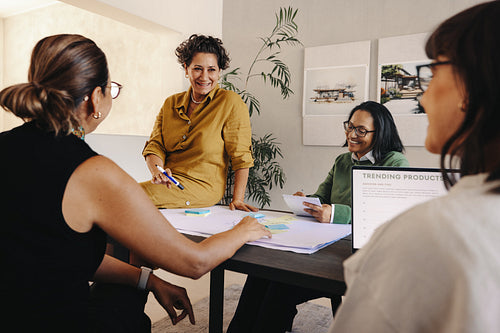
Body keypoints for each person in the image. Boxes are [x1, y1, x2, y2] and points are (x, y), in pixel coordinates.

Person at [0, 34, 271, 332]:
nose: (204, 76)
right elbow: (195, 263)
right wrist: (242, 229)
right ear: (95, 98)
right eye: (112, 90)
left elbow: (58, 254)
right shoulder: (95, 172)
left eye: (212, 69)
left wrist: (149, 279)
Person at [330, 2, 500, 332]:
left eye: (434, 72)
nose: (422, 98)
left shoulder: (425, 235)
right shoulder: (341, 162)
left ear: (473, 84)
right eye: (350, 127)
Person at [228, 101, 409, 333]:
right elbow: (322, 196)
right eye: (350, 126)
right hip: (324, 247)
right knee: (261, 275)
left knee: (279, 285)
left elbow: (382, 213)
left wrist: (334, 213)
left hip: (356, 257)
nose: (352, 134)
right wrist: (307, 201)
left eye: (361, 130)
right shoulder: (342, 161)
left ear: (380, 132)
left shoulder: (394, 162)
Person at [140, 34, 257, 212]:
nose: (204, 76)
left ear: (219, 72)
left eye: (211, 69)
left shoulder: (230, 103)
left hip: (203, 188)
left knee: (128, 195)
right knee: (121, 193)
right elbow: (155, 146)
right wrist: (158, 171)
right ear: (186, 69)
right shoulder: (170, 103)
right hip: (170, 185)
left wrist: (238, 199)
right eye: (197, 69)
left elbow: (241, 157)